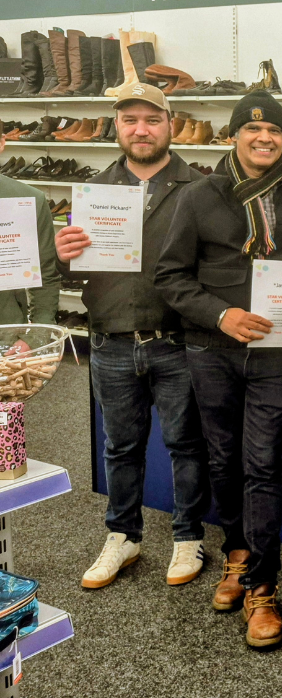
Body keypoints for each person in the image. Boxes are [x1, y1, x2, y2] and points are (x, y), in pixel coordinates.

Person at [155, 90, 282, 649]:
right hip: (210, 348)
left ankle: (262, 588)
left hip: (277, 351)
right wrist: (222, 315)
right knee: (223, 460)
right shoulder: (199, 195)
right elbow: (170, 276)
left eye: (275, 132)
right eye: (253, 129)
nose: (265, 138)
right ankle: (237, 555)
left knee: (262, 463)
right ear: (235, 134)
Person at [53, 82, 208, 591]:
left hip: (178, 340)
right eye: (130, 120)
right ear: (117, 127)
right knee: (120, 447)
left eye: (152, 119)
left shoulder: (200, 188)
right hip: (111, 340)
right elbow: (76, 271)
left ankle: (188, 536)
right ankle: (123, 535)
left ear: (169, 124)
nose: (141, 130)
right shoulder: (94, 190)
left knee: (186, 444)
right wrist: (65, 256)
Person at [0, 133, 60, 330]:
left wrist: (37, 334)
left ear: (1, 142)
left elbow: (45, 273)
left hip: (7, 332)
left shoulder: (28, 200)